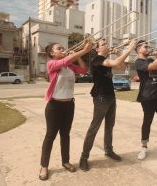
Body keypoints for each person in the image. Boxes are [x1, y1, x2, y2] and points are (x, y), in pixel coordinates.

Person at [79, 38, 137, 171]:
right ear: (97, 49)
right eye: (103, 44)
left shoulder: (106, 61)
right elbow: (117, 63)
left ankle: (108, 150)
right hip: (100, 97)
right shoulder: (97, 60)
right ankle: (84, 157)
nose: (107, 45)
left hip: (111, 96)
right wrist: (129, 48)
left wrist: (118, 53)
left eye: (106, 43)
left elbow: (121, 66)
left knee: (109, 126)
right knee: (94, 127)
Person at [39, 41, 92, 181]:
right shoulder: (52, 64)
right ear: (52, 53)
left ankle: (65, 161)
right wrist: (83, 51)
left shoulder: (69, 66)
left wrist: (79, 55)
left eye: (63, 48)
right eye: (59, 48)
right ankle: (44, 166)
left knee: (65, 135)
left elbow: (83, 70)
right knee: (50, 136)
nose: (63, 49)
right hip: (54, 106)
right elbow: (65, 60)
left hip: (69, 105)